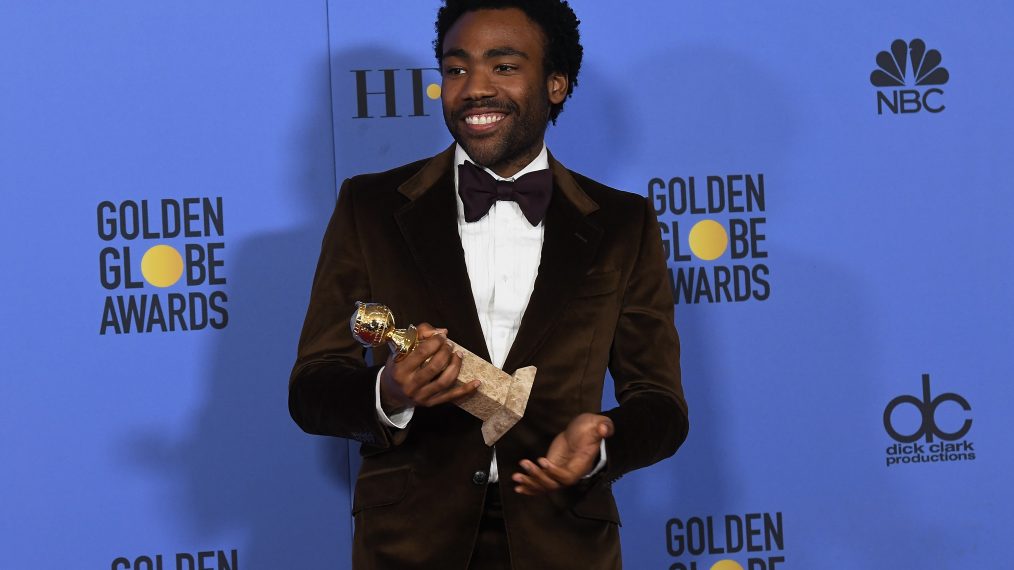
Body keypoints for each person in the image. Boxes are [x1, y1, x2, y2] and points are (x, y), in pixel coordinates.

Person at [289, 1, 689, 568]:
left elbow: (661, 405)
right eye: (456, 69)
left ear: (556, 83)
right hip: (409, 546)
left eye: (503, 66)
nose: (474, 88)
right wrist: (390, 394)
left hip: (564, 541)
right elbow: (311, 388)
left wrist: (602, 443)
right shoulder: (370, 207)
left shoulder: (623, 223)